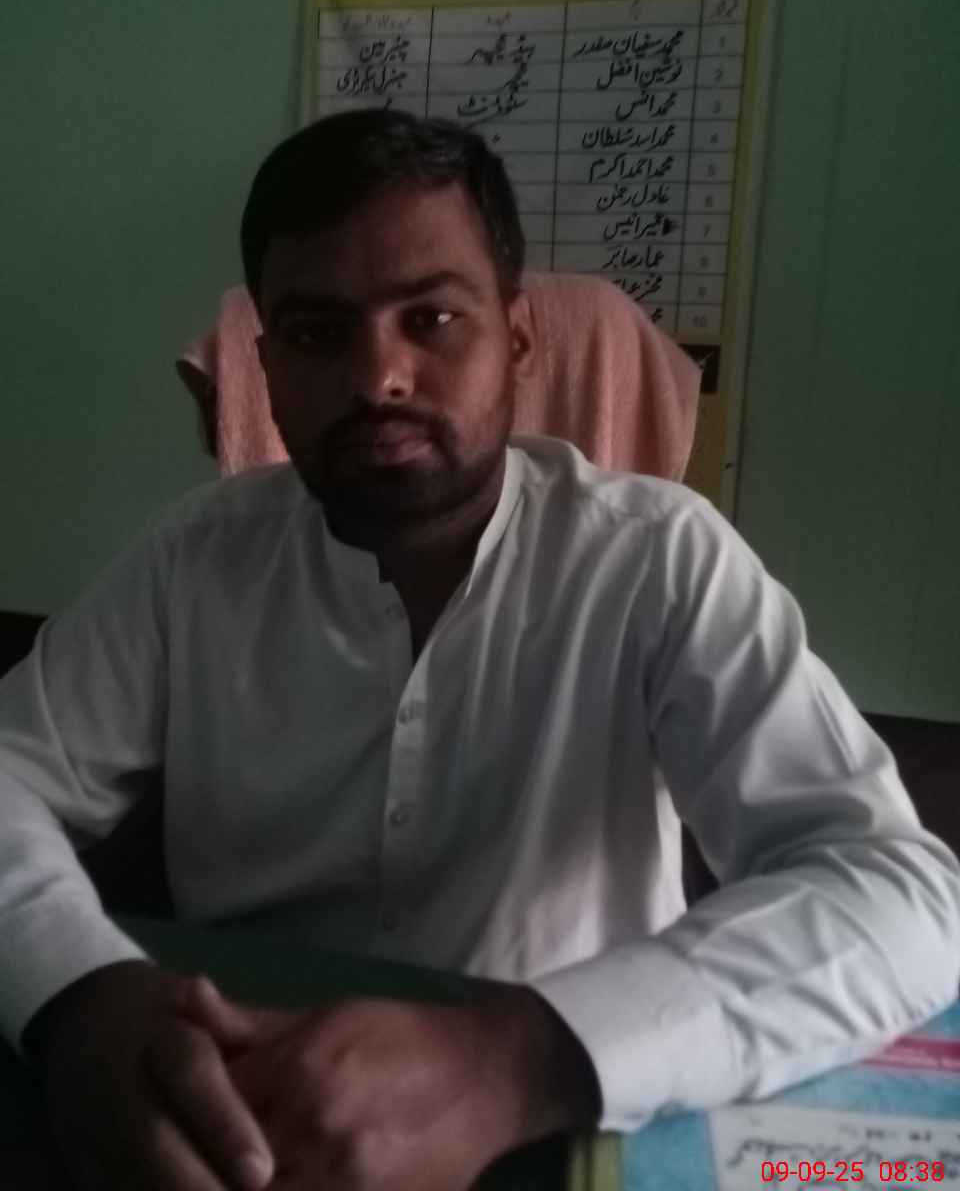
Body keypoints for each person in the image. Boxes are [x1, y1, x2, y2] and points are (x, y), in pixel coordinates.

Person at [0, 108, 957, 1191]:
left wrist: (517, 1059)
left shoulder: (655, 558)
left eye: (434, 318)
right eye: (317, 332)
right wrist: (75, 990)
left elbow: (897, 891)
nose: (380, 377)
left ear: (518, 339)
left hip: (569, 1114)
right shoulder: (192, 564)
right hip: (232, 1121)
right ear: (266, 364)